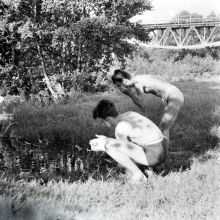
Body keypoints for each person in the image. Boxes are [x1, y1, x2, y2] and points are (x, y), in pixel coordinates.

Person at [112, 69, 184, 160]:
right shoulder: (142, 77)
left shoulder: (137, 82)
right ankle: (163, 155)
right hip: (173, 94)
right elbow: (160, 80)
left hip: (173, 96)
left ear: (125, 81)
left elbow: (142, 104)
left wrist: (129, 93)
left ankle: (163, 159)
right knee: (161, 128)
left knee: (164, 130)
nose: (119, 89)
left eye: (119, 85)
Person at [91, 99, 165, 183]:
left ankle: (138, 175)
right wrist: (107, 139)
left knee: (108, 147)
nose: (102, 124)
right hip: (161, 148)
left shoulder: (120, 128)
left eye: (102, 121)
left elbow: (125, 153)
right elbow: (135, 141)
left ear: (108, 119)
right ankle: (148, 168)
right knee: (112, 144)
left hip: (154, 156)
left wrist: (104, 145)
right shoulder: (130, 114)